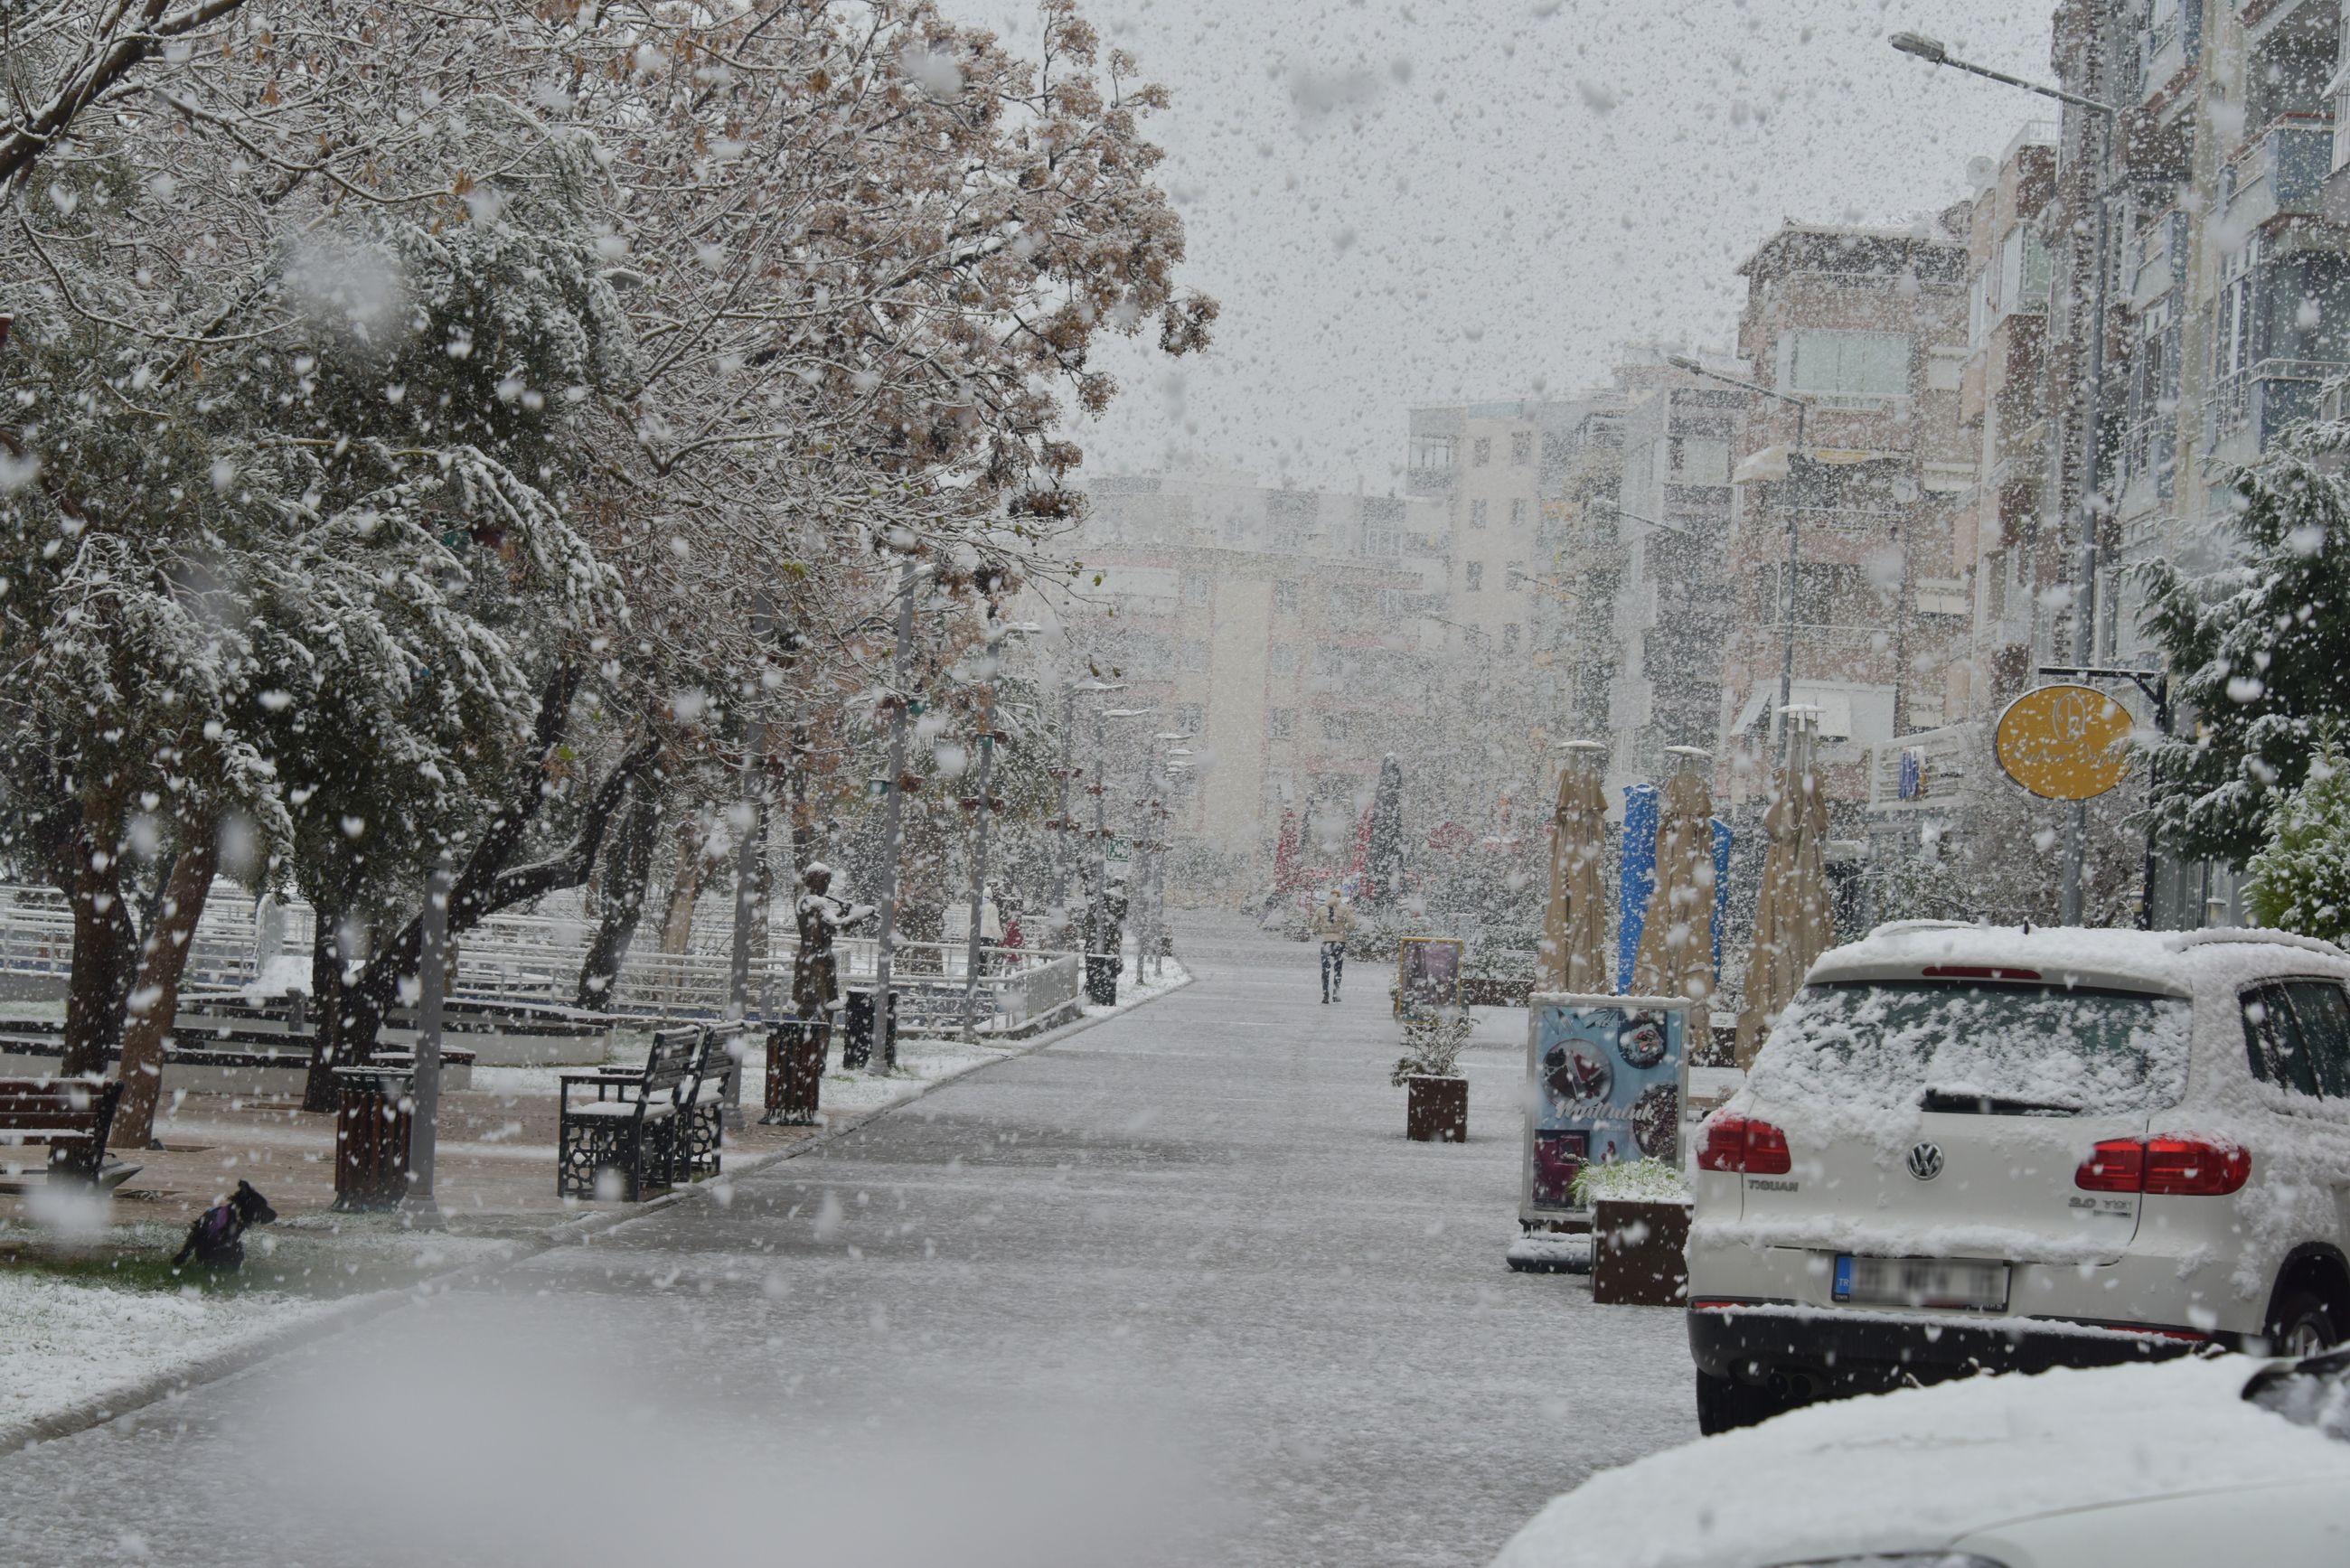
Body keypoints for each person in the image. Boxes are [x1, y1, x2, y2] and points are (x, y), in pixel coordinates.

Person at [1310, 887, 1355, 1003]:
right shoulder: (1345, 910)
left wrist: (1321, 931)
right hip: (1340, 941)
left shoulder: (1321, 909)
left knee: (1325, 969)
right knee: (1338, 969)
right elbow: (1352, 924)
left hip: (1326, 942)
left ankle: (1325, 995)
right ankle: (1336, 993)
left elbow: (1313, 924)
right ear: (1339, 897)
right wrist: (1345, 931)